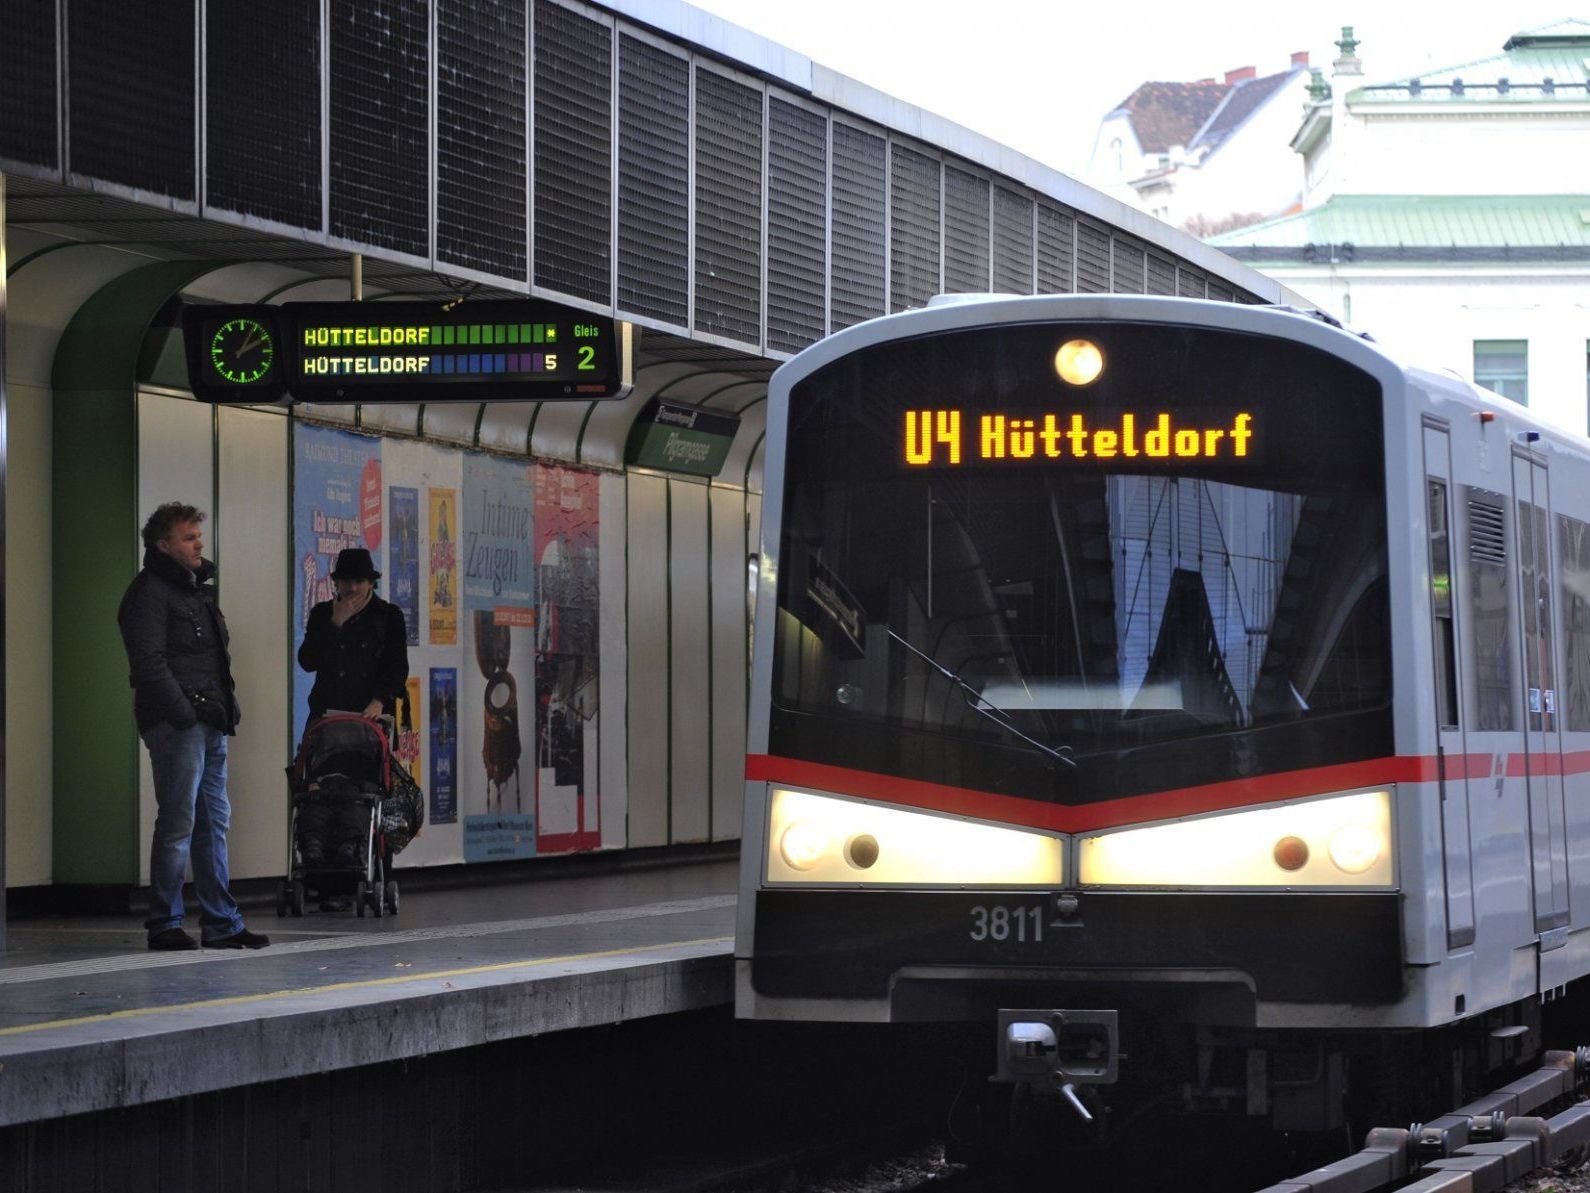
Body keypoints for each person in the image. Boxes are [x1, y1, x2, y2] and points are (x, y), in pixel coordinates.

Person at [118, 502, 269, 951]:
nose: (199, 544)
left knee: (213, 823)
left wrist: (224, 708)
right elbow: (148, 662)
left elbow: (214, 659)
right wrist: (183, 712)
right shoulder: (147, 594)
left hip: (211, 721)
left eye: (198, 537)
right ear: (164, 545)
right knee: (179, 822)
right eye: (189, 538)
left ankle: (222, 922)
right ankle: (165, 922)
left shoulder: (194, 592)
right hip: (177, 723)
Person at [296, 549, 410, 898]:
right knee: (320, 789)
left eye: (359, 582)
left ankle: (369, 868)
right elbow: (308, 660)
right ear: (337, 583)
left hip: (369, 718)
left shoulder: (387, 616)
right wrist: (336, 622)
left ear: (371, 582)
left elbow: (396, 665)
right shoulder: (322, 614)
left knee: (370, 790)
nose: (352, 588)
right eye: (346, 582)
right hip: (327, 717)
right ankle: (321, 874)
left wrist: (380, 699)